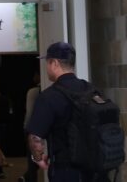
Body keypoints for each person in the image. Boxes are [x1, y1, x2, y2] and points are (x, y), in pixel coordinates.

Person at [25, 43, 91, 182]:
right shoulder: (90, 89)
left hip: (66, 170)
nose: (47, 68)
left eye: (47, 62)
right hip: (94, 169)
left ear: (54, 63)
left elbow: (35, 138)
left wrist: (38, 159)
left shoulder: (49, 96)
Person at [18, 74, 41, 182]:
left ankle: (27, 178)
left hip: (31, 128)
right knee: (36, 158)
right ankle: (27, 177)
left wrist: (26, 128)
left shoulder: (32, 92)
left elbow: (29, 112)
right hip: (39, 128)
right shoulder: (39, 92)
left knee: (32, 159)